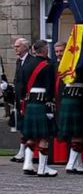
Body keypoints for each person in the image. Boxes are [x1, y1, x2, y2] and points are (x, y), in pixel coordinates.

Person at [21, 40, 58, 177]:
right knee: (44, 136)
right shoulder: (47, 66)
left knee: (31, 135)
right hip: (42, 103)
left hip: (30, 102)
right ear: (44, 49)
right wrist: (50, 105)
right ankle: (43, 168)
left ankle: (28, 164)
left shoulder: (26, 64)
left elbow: (22, 86)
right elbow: (50, 87)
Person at [10, 38, 34, 163]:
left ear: (25, 47)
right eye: (15, 46)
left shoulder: (31, 61)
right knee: (21, 125)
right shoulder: (19, 62)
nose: (15, 48)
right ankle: (21, 150)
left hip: (28, 97)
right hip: (19, 98)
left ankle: (26, 152)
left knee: (26, 125)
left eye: (18, 46)